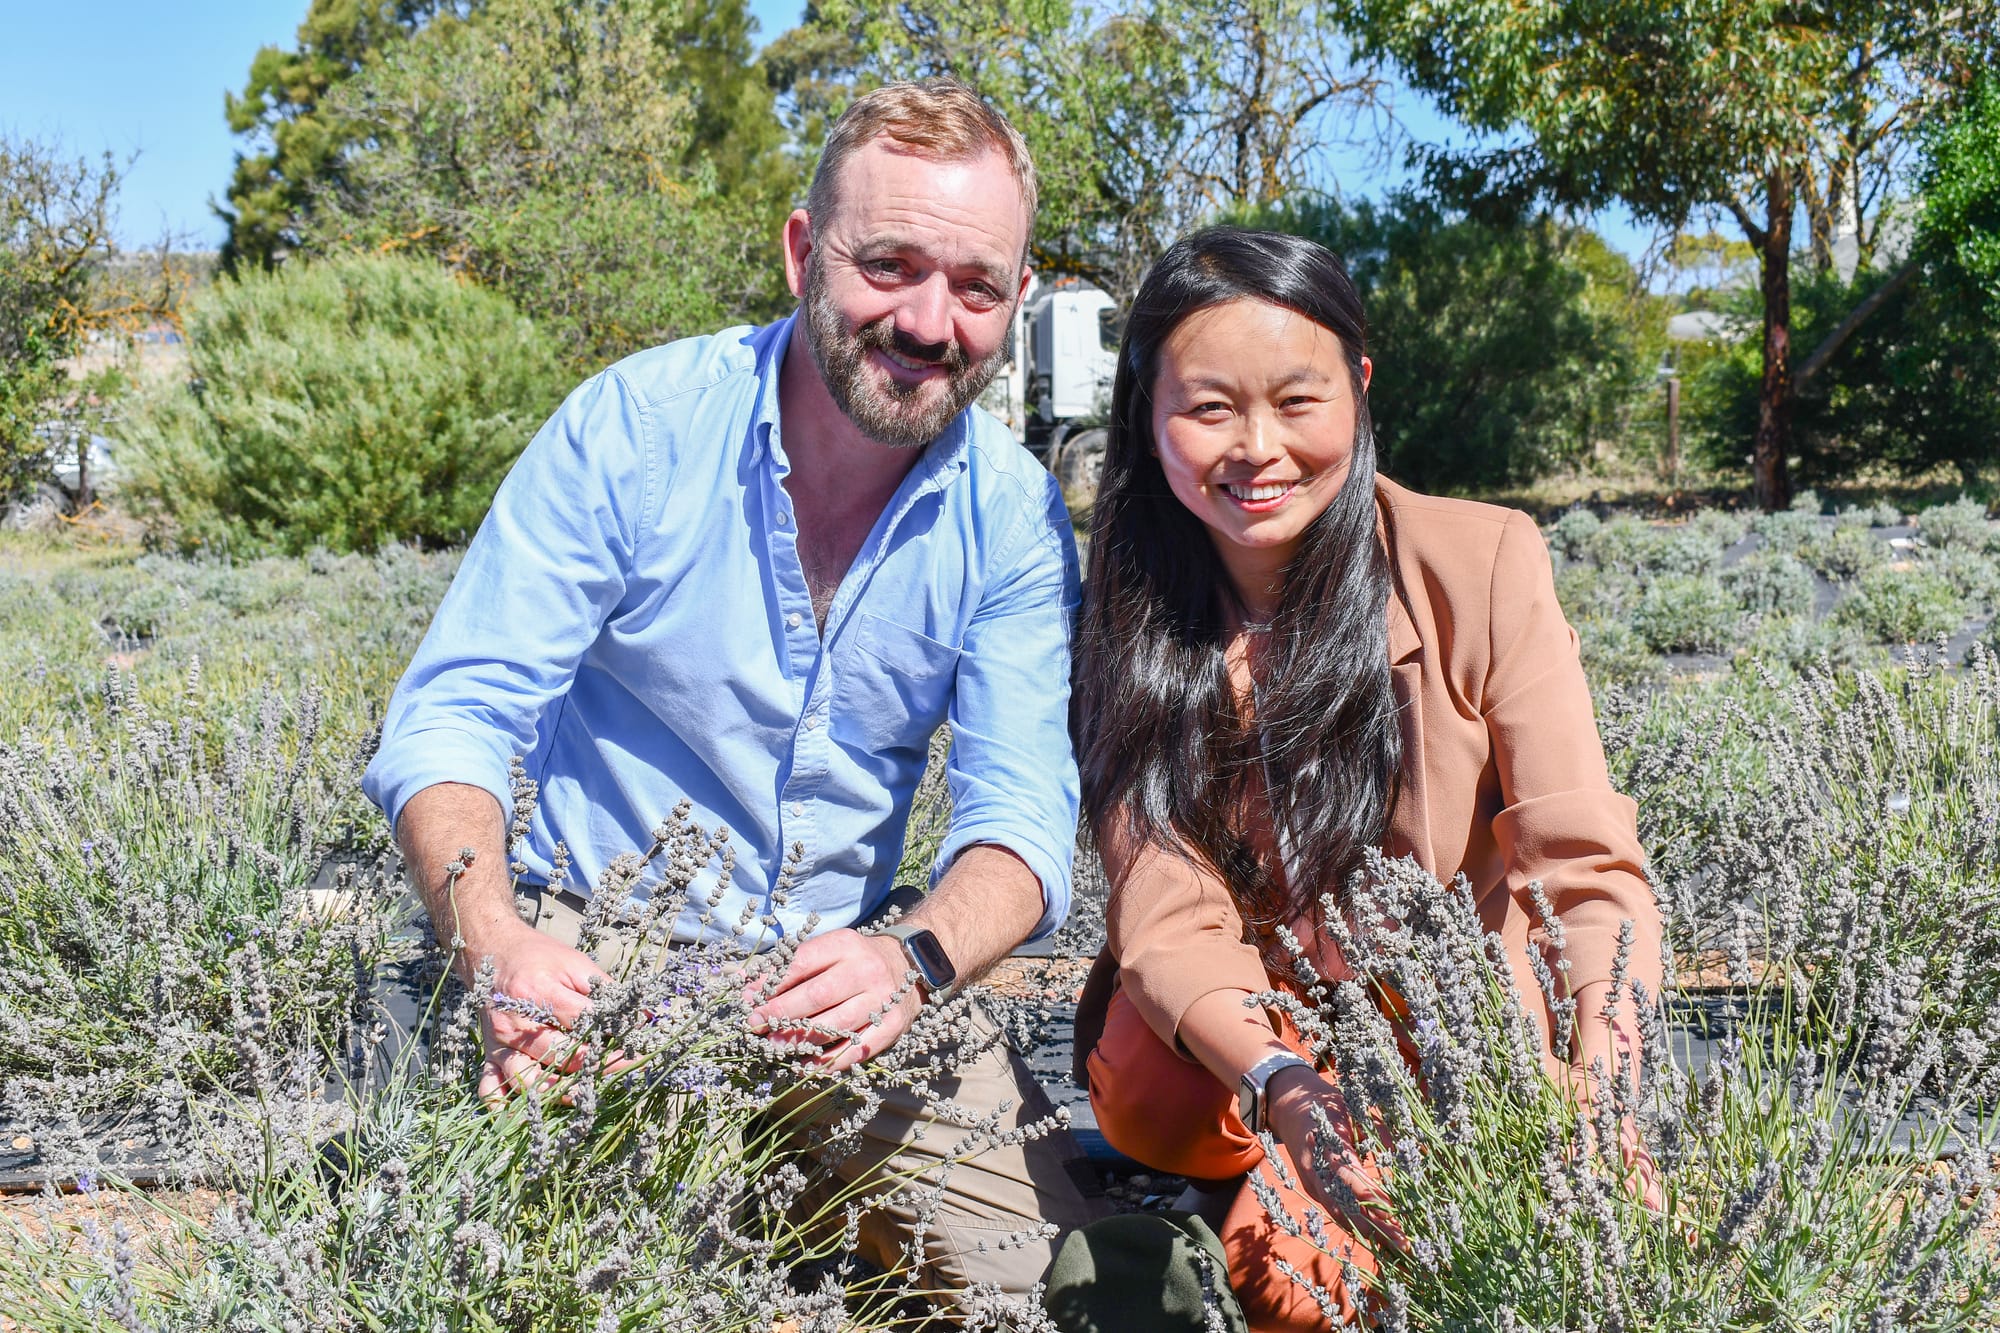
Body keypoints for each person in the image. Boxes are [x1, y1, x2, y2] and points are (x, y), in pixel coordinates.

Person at [362, 78, 1103, 1300]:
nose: (928, 321)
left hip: (850, 977)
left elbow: (1020, 819)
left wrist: (911, 960)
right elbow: (456, 712)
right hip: (591, 951)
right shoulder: (636, 429)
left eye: (975, 287)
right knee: (579, 1287)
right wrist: (493, 940)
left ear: (1017, 302)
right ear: (804, 252)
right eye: (888, 265)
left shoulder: (1011, 516)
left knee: (1046, 1295)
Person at [1067, 227, 1663, 1330]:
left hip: (1441, 1028)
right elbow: (1162, 905)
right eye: (1207, 410)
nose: (1256, 449)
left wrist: (1601, 1071)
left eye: (1298, 401)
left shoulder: (1479, 561)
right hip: (1231, 1045)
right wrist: (1285, 1085)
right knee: (1290, 1280)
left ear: (1358, 387)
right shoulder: (1126, 595)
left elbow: (1582, 864)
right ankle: (1234, 1174)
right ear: (1146, 415)